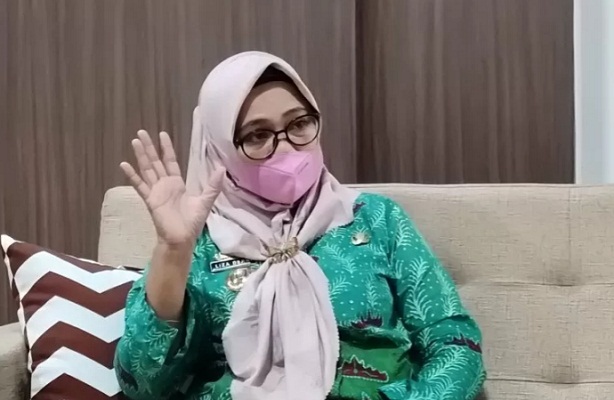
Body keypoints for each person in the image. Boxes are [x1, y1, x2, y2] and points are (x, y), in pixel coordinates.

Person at [114, 51, 486, 400]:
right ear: (220, 149)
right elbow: (143, 384)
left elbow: (455, 342)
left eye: (299, 123)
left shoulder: (375, 218)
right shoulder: (199, 242)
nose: (287, 147)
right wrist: (173, 251)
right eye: (257, 135)